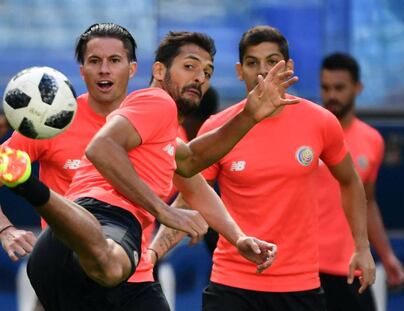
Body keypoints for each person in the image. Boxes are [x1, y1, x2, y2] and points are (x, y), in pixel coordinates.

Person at [0, 30, 298, 310]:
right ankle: (30, 187)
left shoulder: (167, 131)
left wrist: (238, 237)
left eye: (206, 72)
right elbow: (100, 148)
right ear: (158, 71)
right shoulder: (157, 102)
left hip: (76, 262)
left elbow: (193, 170)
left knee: (116, 268)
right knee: (112, 265)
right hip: (100, 227)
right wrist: (164, 211)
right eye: (190, 66)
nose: (199, 78)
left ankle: (34, 191)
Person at [149, 25, 376, 311]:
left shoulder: (320, 122)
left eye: (272, 61)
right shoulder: (219, 128)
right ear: (239, 71)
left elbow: (351, 182)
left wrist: (362, 247)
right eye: (252, 62)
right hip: (231, 284)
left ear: (288, 67)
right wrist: (153, 252)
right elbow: (192, 195)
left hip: (299, 285)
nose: (263, 71)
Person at [0, 22, 139, 311]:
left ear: (132, 69)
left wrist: (160, 242)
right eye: (94, 61)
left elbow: (192, 180)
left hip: (136, 280)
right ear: (82, 71)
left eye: (114, 60)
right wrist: (5, 229)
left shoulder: (151, 122)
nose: (104, 70)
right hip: (66, 278)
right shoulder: (49, 120)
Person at [317, 52, 404, 311]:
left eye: (339, 87)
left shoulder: (373, 140)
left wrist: (387, 257)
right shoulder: (308, 135)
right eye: (325, 87)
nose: (332, 95)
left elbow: (368, 202)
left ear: (358, 88)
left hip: (351, 269)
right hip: (305, 269)